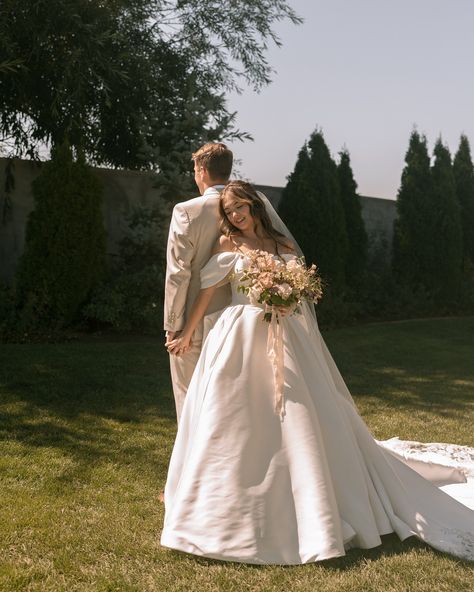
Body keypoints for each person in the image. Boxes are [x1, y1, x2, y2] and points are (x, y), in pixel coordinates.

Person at [161, 181, 474, 564]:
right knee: (230, 416)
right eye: (229, 212)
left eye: (240, 208)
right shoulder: (228, 246)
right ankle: (217, 507)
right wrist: (187, 332)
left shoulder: (285, 248)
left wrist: (288, 295)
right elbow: (208, 292)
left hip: (287, 333)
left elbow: (303, 295)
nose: (236, 216)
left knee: (299, 411)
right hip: (239, 333)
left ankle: (313, 496)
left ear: (255, 207)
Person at [164, 142, 233, 424]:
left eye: (195, 170)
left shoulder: (187, 211)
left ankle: (191, 465)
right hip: (238, 322)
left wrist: (173, 325)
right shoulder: (249, 207)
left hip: (193, 324)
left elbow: (178, 273)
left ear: (202, 170)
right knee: (228, 404)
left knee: (190, 401)